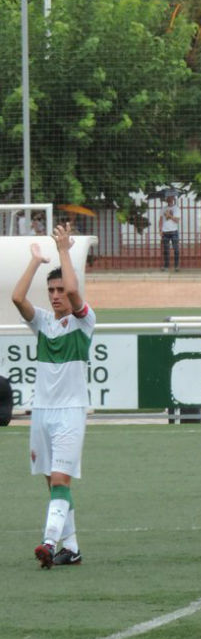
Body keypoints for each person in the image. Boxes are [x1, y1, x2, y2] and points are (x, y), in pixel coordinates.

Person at [12, 224, 94, 568]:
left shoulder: (83, 321)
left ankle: (48, 541)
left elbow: (76, 292)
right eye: (52, 289)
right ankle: (71, 548)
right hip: (42, 412)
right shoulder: (44, 323)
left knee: (61, 479)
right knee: (53, 484)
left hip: (71, 412)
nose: (57, 294)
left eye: (60, 288)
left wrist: (64, 250)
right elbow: (17, 298)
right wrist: (35, 261)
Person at [160, 193, 181, 272]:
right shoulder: (163, 208)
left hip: (173, 231)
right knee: (166, 250)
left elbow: (177, 220)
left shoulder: (176, 209)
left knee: (176, 249)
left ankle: (176, 266)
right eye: (168, 198)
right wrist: (160, 229)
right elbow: (161, 219)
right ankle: (166, 266)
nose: (169, 199)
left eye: (171, 198)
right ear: (166, 199)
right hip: (165, 232)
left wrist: (169, 215)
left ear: (173, 199)